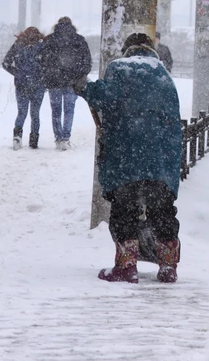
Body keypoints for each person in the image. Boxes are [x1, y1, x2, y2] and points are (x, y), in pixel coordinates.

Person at [74, 33, 182, 284]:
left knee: (125, 211)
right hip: (159, 159)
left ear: (127, 49)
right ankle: (168, 267)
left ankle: (126, 267)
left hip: (126, 156)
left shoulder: (119, 68)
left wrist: (84, 87)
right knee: (163, 211)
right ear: (151, 50)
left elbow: (105, 98)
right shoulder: (164, 75)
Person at [39, 16, 92, 150]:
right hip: (72, 82)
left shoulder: (50, 40)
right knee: (69, 111)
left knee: (56, 111)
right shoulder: (79, 40)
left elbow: (42, 60)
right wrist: (80, 76)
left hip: (54, 81)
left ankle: (58, 137)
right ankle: (66, 138)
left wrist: (47, 75)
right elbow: (87, 61)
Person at [2, 27, 46, 150]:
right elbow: (48, 64)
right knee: (35, 113)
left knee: (22, 112)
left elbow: (5, 63)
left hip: (21, 84)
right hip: (38, 84)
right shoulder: (42, 46)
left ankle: (17, 136)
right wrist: (43, 76)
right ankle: (34, 139)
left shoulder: (18, 45)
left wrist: (17, 73)